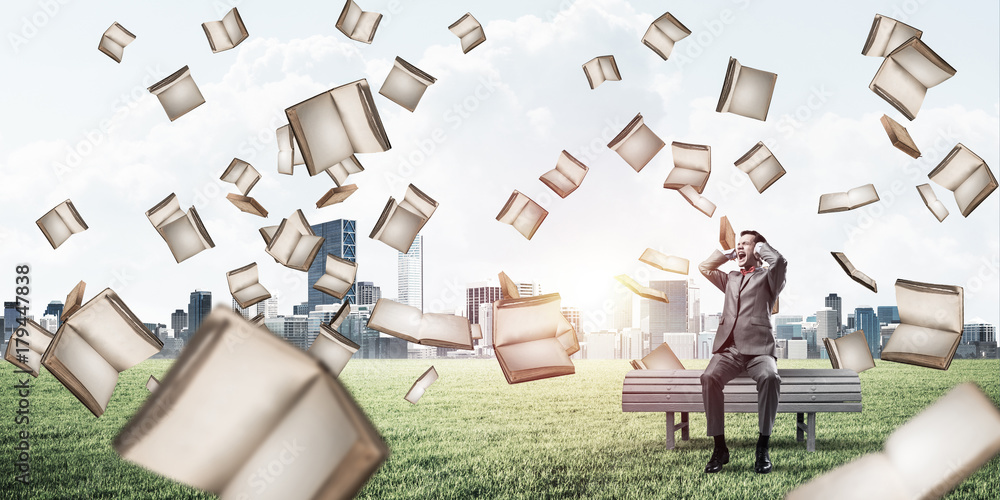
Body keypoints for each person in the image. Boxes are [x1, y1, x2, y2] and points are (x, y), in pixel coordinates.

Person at [698, 230, 787, 474]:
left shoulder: (770, 277)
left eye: (745, 244)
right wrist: (729, 254)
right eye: (738, 244)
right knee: (708, 377)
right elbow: (704, 268)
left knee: (770, 377)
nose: (740, 247)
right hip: (729, 350)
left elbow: (779, 261)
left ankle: (762, 447)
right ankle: (719, 448)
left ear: (757, 250)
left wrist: (760, 248)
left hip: (759, 351)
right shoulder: (731, 278)